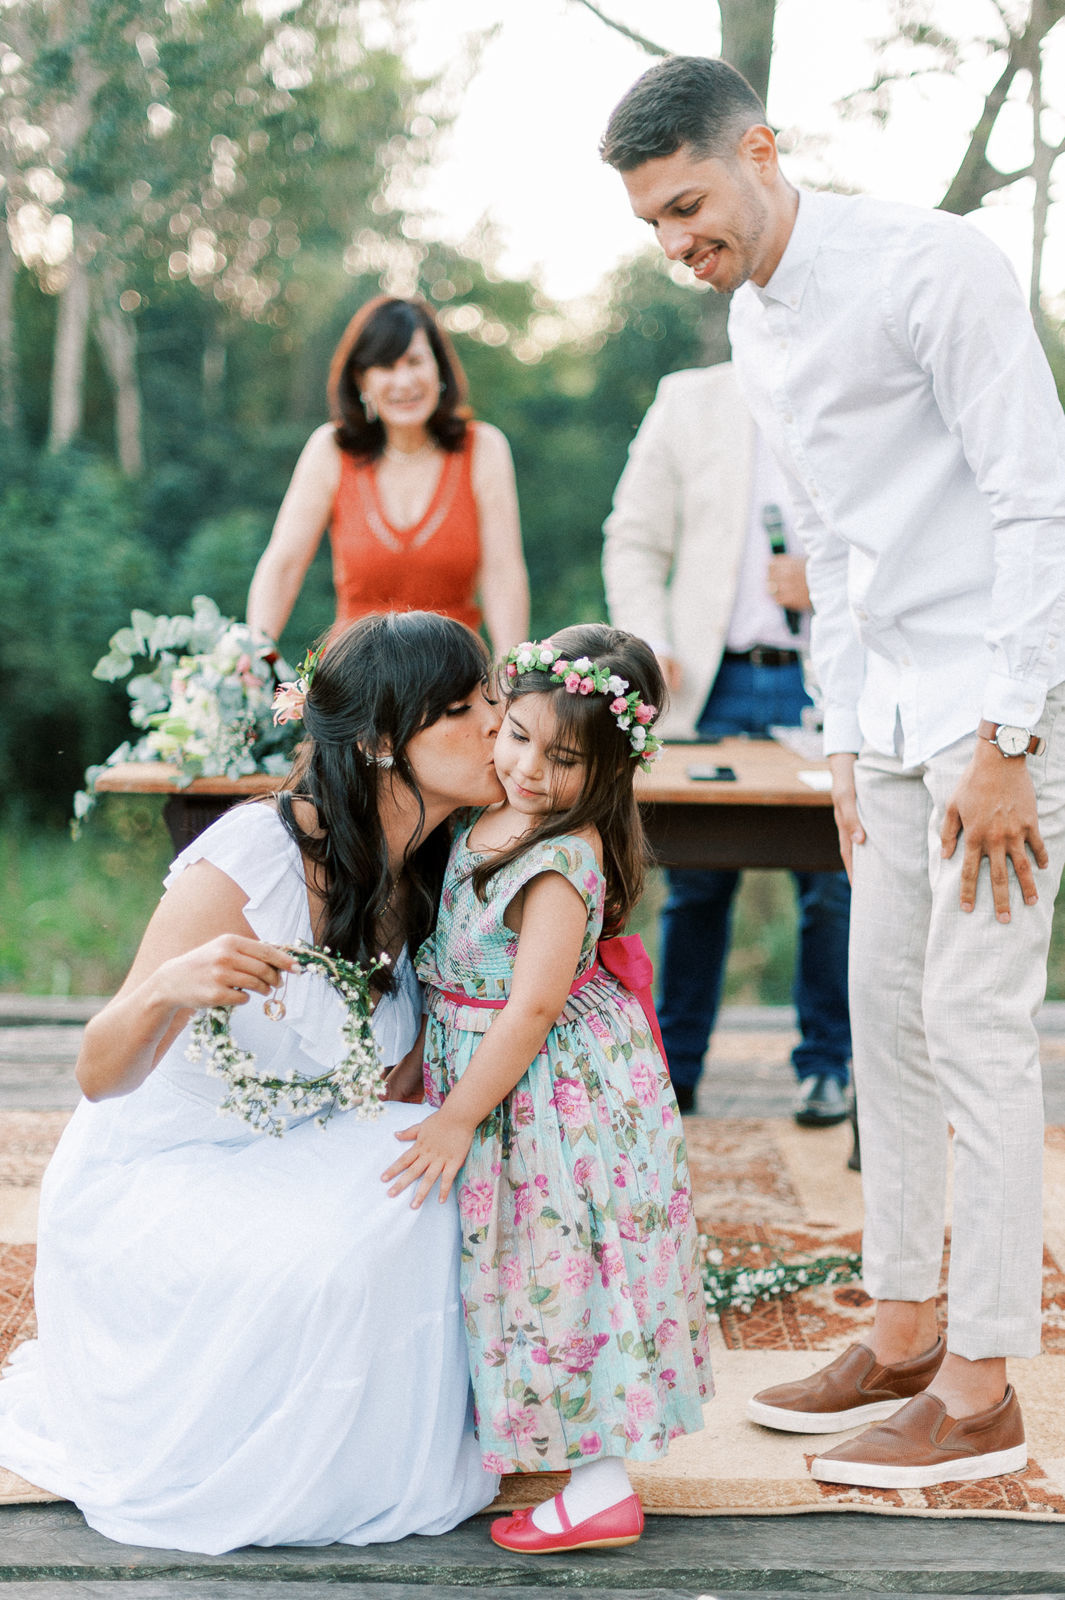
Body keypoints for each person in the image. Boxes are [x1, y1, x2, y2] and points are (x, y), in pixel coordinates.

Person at [601, 54, 1065, 1491]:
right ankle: (908, 1328)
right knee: (884, 1018)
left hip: (1000, 701)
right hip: (888, 721)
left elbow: (1033, 492)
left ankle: (983, 1388)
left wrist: (1011, 737)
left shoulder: (930, 264)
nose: (680, 244)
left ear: (760, 147)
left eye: (688, 205)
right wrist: (847, 748)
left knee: (979, 1030)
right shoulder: (752, 326)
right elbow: (840, 553)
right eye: (653, 228)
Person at [0, 612, 506, 1553]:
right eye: (462, 709)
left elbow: (397, 1085)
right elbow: (99, 1073)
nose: (493, 725)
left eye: (491, 700)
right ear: (382, 741)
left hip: (298, 1146)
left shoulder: (442, 867)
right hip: (160, 1171)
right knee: (347, 1255)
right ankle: (292, 1467)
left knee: (448, 1190)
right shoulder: (252, 856)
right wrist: (165, 987)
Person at [382, 624, 712, 1555]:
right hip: (495, 1070)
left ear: (606, 771)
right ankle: (542, 1445)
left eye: (561, 758)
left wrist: (454, 1114)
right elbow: (456, 963)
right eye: (516, 734)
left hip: (551, 1093)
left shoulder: (562, 857)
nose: (527, 766)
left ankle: (602, 1484)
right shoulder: (485, 814)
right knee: (517, 1267)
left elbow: (528, 1010)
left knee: (564, 1267)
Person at [603, 362, 851, 1123]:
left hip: (822, 672)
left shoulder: (853, 385)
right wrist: (649, 641)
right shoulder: (690, 397)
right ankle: (673, 1070)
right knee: (694, 884)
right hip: (705, 683)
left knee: (836, 881)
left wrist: (830, 582)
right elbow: (633, 539)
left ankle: (827, 1066)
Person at [247, 295, 529, 657]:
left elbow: (503, 574)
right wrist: (255, 653)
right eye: (385, 366)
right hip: (355, 687)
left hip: (457, 682)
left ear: (439, 369)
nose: (404, 381)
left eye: (414, 361)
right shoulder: (331, 449)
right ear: (361, 379)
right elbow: (284, 563)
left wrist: (514, 678)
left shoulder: (484, 448)